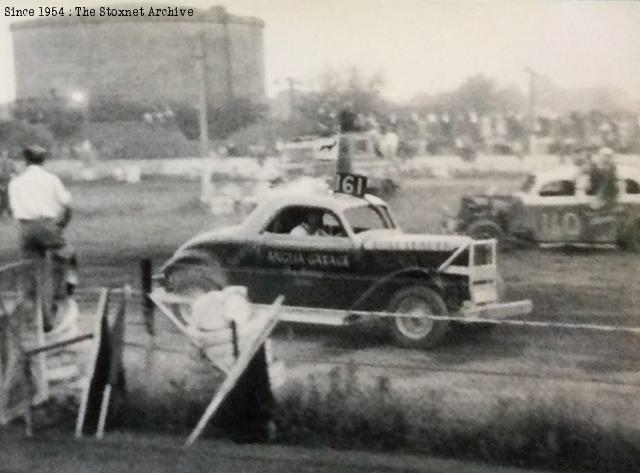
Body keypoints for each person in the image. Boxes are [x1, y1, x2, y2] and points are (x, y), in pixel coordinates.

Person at [8, 146, 74, 327]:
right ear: (43, 160)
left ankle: (31, 310)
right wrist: (61, 225)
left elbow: (14, 208)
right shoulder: (51, 180)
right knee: (66, 254)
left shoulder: (16, 182)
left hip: (26, 228)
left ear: (26, 161)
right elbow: (67, 205)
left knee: (30, 269)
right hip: (46, 225)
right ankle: (56, 298)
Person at [0, 150, 15, 218]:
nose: (4, 157)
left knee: (6, 197)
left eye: (6, 155)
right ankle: (9, 212)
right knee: (5, 198)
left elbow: (14, 171)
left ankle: (8, 212)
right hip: (0, 181)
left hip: (8, 182)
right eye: (3, 155)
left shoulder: (10, 162)